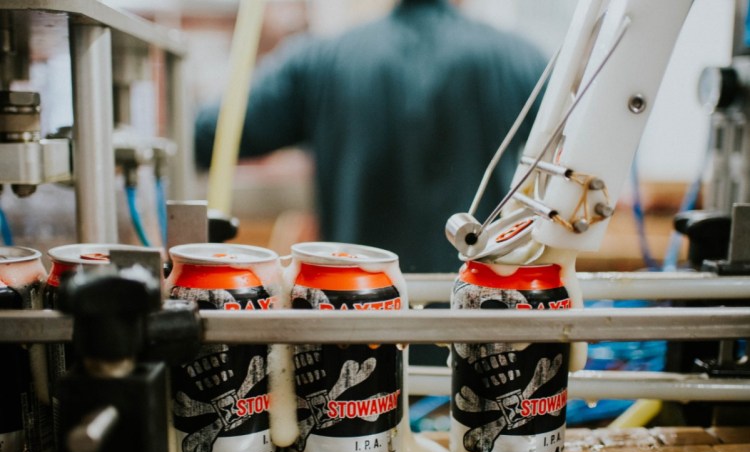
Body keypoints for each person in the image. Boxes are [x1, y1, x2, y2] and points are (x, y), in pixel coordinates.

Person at [194, 0, 548, 275]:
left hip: (362, 313)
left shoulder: (321, 59)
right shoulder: (520, 59)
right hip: (476, 311)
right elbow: (576, 160)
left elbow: (209, 133)